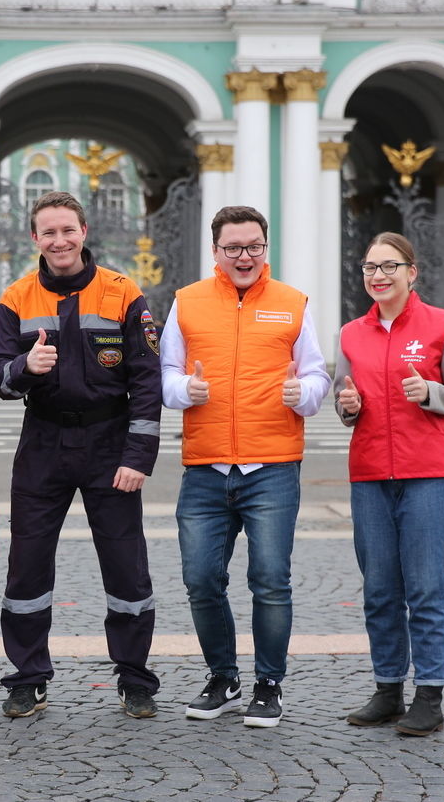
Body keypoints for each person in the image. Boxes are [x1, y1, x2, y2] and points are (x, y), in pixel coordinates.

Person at [0, 190, 162, 720]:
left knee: (126, 566)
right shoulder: (15, 298)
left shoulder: (122, 292)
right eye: (49, 232)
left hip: (110, 443)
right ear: (34, 239)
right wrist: (26, 369)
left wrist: (138, 456)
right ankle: (28, 677)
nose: (59, 240)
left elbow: (147, 380)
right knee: (27, 567)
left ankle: (134, 678)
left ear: (84, 232)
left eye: (68, 230)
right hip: (42, 443)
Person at [159, 205, 332, 729]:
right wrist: (182, 390)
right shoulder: (187, 302)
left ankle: (268, 684)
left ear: (265, 248)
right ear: (215, 251)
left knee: (270, 581)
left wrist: (303, 393)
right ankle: (224, 676)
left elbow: (319, 375)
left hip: (272, 466)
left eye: (254, 246)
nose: (244, 257)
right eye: (233, 247)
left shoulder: (291, 303)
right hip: (206, 465)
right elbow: (164, 372)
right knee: (201, 578)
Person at [334, 232, 444, 737]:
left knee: (425, 590)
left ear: (411, 272)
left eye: (389, 266)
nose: (378, 275)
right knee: (379, 591)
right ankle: (388, 688)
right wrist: (346, 407)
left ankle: (430, 696)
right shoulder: (352, 333)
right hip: (371, 474)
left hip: (431, 476)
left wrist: (430, 391)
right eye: (370, 267)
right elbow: (344, 398)